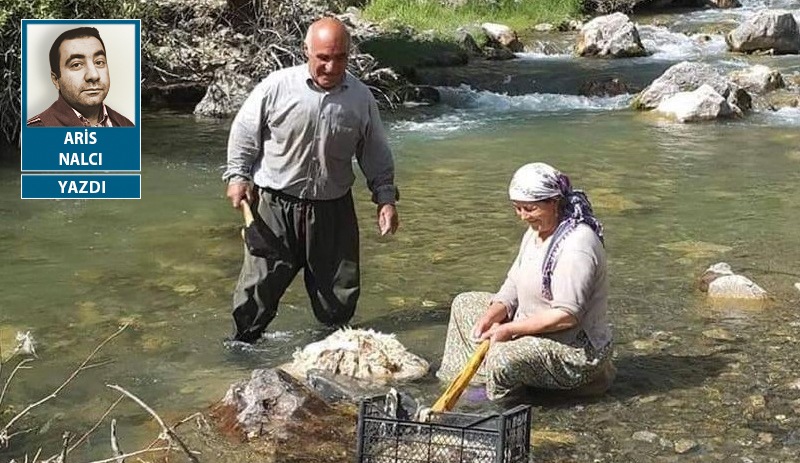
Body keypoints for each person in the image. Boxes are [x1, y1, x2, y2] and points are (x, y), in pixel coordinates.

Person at [223, 17, 399, 344]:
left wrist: (385, 197)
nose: (332, 66)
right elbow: (245, 133)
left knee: (338, 294)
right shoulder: (276, 86)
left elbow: (375, 151)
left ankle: (332, 351)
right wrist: (238, 175)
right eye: (323, 58)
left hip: (333, 209)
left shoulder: (360, 98)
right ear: (306, 51)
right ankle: (241, 352)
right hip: (275, 205)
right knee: (258, 287)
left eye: (340, 58)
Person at [437, 162, 615, 400]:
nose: (522, 217)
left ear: (553, 203)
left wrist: (509, 330)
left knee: (503, 357)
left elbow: (566, 316)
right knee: (464, 304)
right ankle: (461, 386)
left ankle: (494, 405)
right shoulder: (536, 232)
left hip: (573, 348)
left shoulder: (577, 246)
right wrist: (493, 314)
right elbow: (513, 283)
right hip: (530, 324)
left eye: (529, 209)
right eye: (517, 208)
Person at [27, 26, 133, 127]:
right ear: (56, 80)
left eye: (99, 62)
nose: (94, 75)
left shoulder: (127, 126)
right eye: (76, 64)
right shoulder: (35, 131)